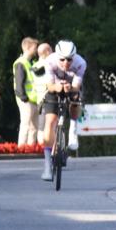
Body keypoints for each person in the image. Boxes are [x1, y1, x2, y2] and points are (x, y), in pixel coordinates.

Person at [38, 40, 86, 181]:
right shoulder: (50, 61)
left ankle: (73, 128)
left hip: (71, 87)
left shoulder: (81, 63)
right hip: (54, 87)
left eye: (69, 59)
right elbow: (49, 84)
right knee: (50, 122)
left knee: (76, 99)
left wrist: (69, 88)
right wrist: (57, 88)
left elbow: (77, 86)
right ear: (57, 56)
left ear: (74, 57)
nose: (66, 63)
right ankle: (47, 166)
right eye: (62, 59)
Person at [13, 37, 40, 146]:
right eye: (35, 47)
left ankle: (31, 147)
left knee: (34, 126)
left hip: (33, 99)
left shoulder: (31, 62)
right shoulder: (21, 63)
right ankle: (22, 147)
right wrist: (23, 97)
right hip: (26, 100)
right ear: (28, 48)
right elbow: (19, 83)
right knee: (26, 124)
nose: (36, 50)